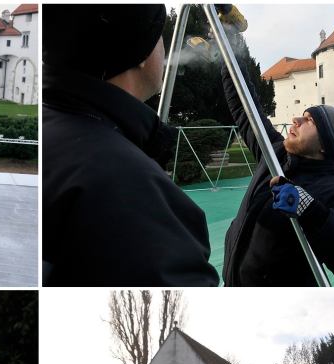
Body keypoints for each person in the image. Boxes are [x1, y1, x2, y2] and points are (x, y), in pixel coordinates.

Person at [42, 4, 220, 287]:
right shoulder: (135, 194)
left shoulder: (51, 126)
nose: (164, 46)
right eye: (159, 35)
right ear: (139, 55)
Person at [220, 58, 334, 286]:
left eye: (310, 120)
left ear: (325, 144)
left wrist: (309, 210)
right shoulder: (273, 153)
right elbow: (246, 109)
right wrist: (229, 55)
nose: (296, 119)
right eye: (303, 114)